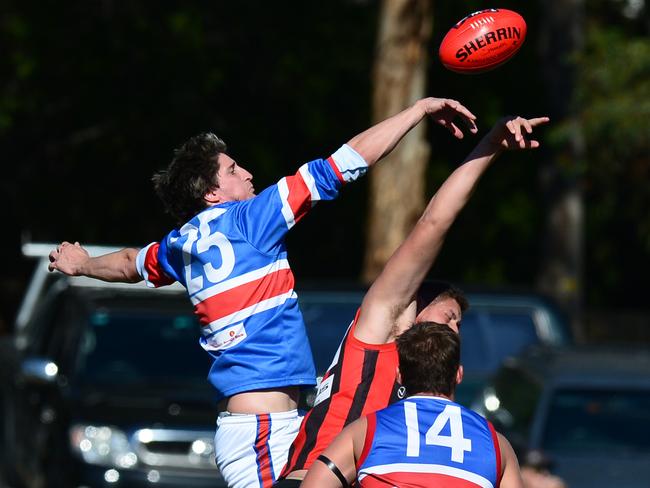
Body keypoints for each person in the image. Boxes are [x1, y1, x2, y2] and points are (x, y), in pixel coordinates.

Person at [47, 97, 478, 488]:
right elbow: (346, 161)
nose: (249, 173)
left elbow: (127, 264)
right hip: (261, 432)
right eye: (233, 170)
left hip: (269, 425)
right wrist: (417, 112)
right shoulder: (253, 220)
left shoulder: (180, 244)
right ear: (213, 193)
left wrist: (81, 263)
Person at [278, 114, 549, 486]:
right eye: (450, 316)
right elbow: (434, 223)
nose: (455, 329)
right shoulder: (379, 333)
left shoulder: (430, 395)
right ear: (414, 305)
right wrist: (490, 146)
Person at [300, 322, 524, 487]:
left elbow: (315, 484)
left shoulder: (366, 430)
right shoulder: (496, 444)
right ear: (458, 375)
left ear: (399, 376)